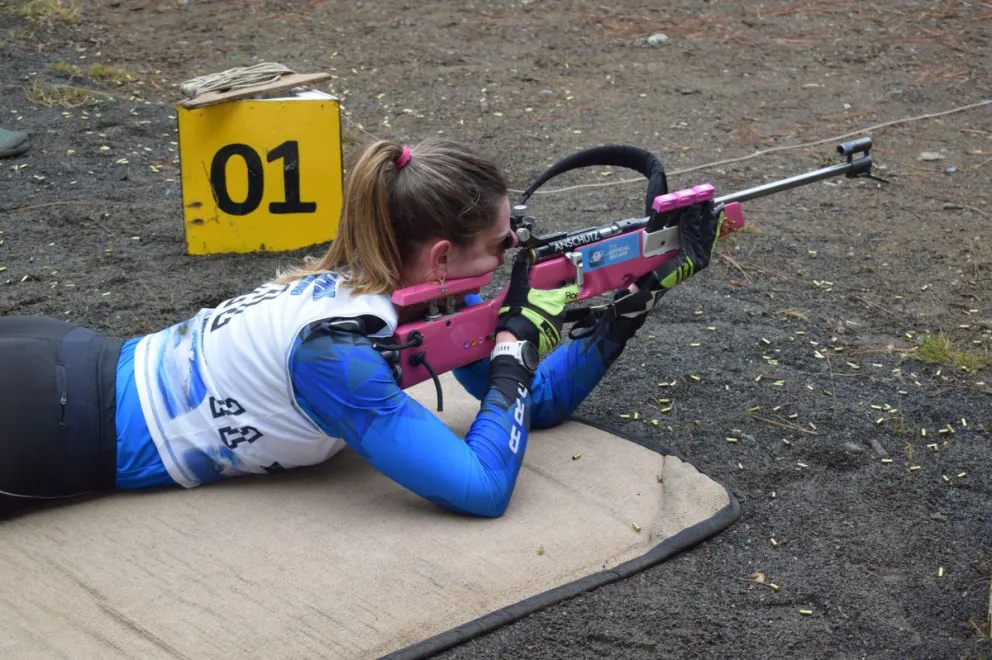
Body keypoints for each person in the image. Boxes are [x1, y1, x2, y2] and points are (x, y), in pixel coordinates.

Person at [0, 138, 723, 519]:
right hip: (52, 425)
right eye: (506, 242)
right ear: (441, 257)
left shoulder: (383, 283)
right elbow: (479, 489)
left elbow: (536, 405)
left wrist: (635, 303)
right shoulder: (337, 357)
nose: (517, 254)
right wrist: (511, 347)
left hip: (60, 362)